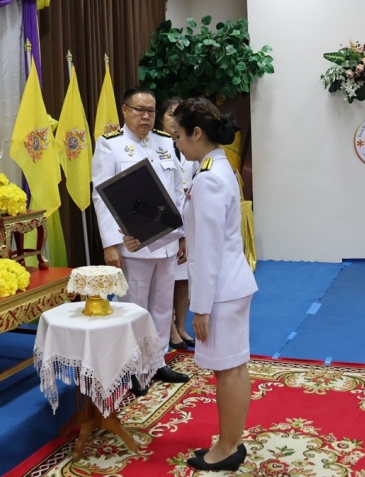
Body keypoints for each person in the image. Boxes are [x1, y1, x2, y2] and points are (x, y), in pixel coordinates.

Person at [172, 97, 258, 472]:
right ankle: (232, 440)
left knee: (228, 370)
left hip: (221, 289)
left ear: (196, 133)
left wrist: (200, 308)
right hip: (232, 283)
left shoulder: (208, 178)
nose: (176, 143)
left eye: (178, 135)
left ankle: (227, 447)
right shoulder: (218, 166)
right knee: (235, 367)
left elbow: (208, 252)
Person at [91, 86, 189, 395]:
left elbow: (177, 192)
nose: (145, 117)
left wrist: (182, 235)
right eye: (139, 110)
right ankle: (133, 367)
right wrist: (110, 244)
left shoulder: (164, 142)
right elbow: (102, 197)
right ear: (125, 110)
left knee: (162, 306)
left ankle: (157, 361)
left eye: (150, 111)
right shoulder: (110, 145)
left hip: (167, 241)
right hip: (133, 244)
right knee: (134, 307)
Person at [157, 97, 196, 351]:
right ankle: (169, 329)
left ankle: (181, 326)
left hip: (188, 219)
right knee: (166, 279)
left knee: (183, 278)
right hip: (165, 221)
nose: (174, 120)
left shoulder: (190, 145)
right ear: (161, 118)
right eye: (171, 114)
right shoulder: (156, 145)